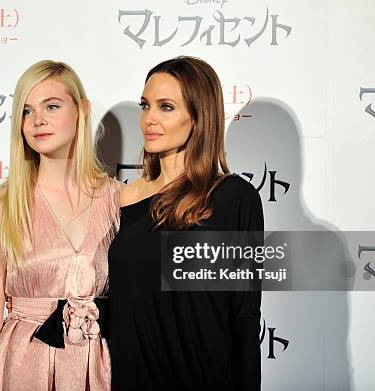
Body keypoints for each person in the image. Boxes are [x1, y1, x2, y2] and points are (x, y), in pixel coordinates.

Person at [0, 60, 120, 391]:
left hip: (101, 368)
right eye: (27, 111)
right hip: (23, 367)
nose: (37, 120)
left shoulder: (120, 200)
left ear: (82, 110)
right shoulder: (2, 206)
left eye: (52, 106)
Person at [108, 56, 263, 390]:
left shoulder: (232, 197)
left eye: (166, 107)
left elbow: (244, 316)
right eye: (145, 105)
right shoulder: (120, 199)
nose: (149, 119)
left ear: (198, 116)